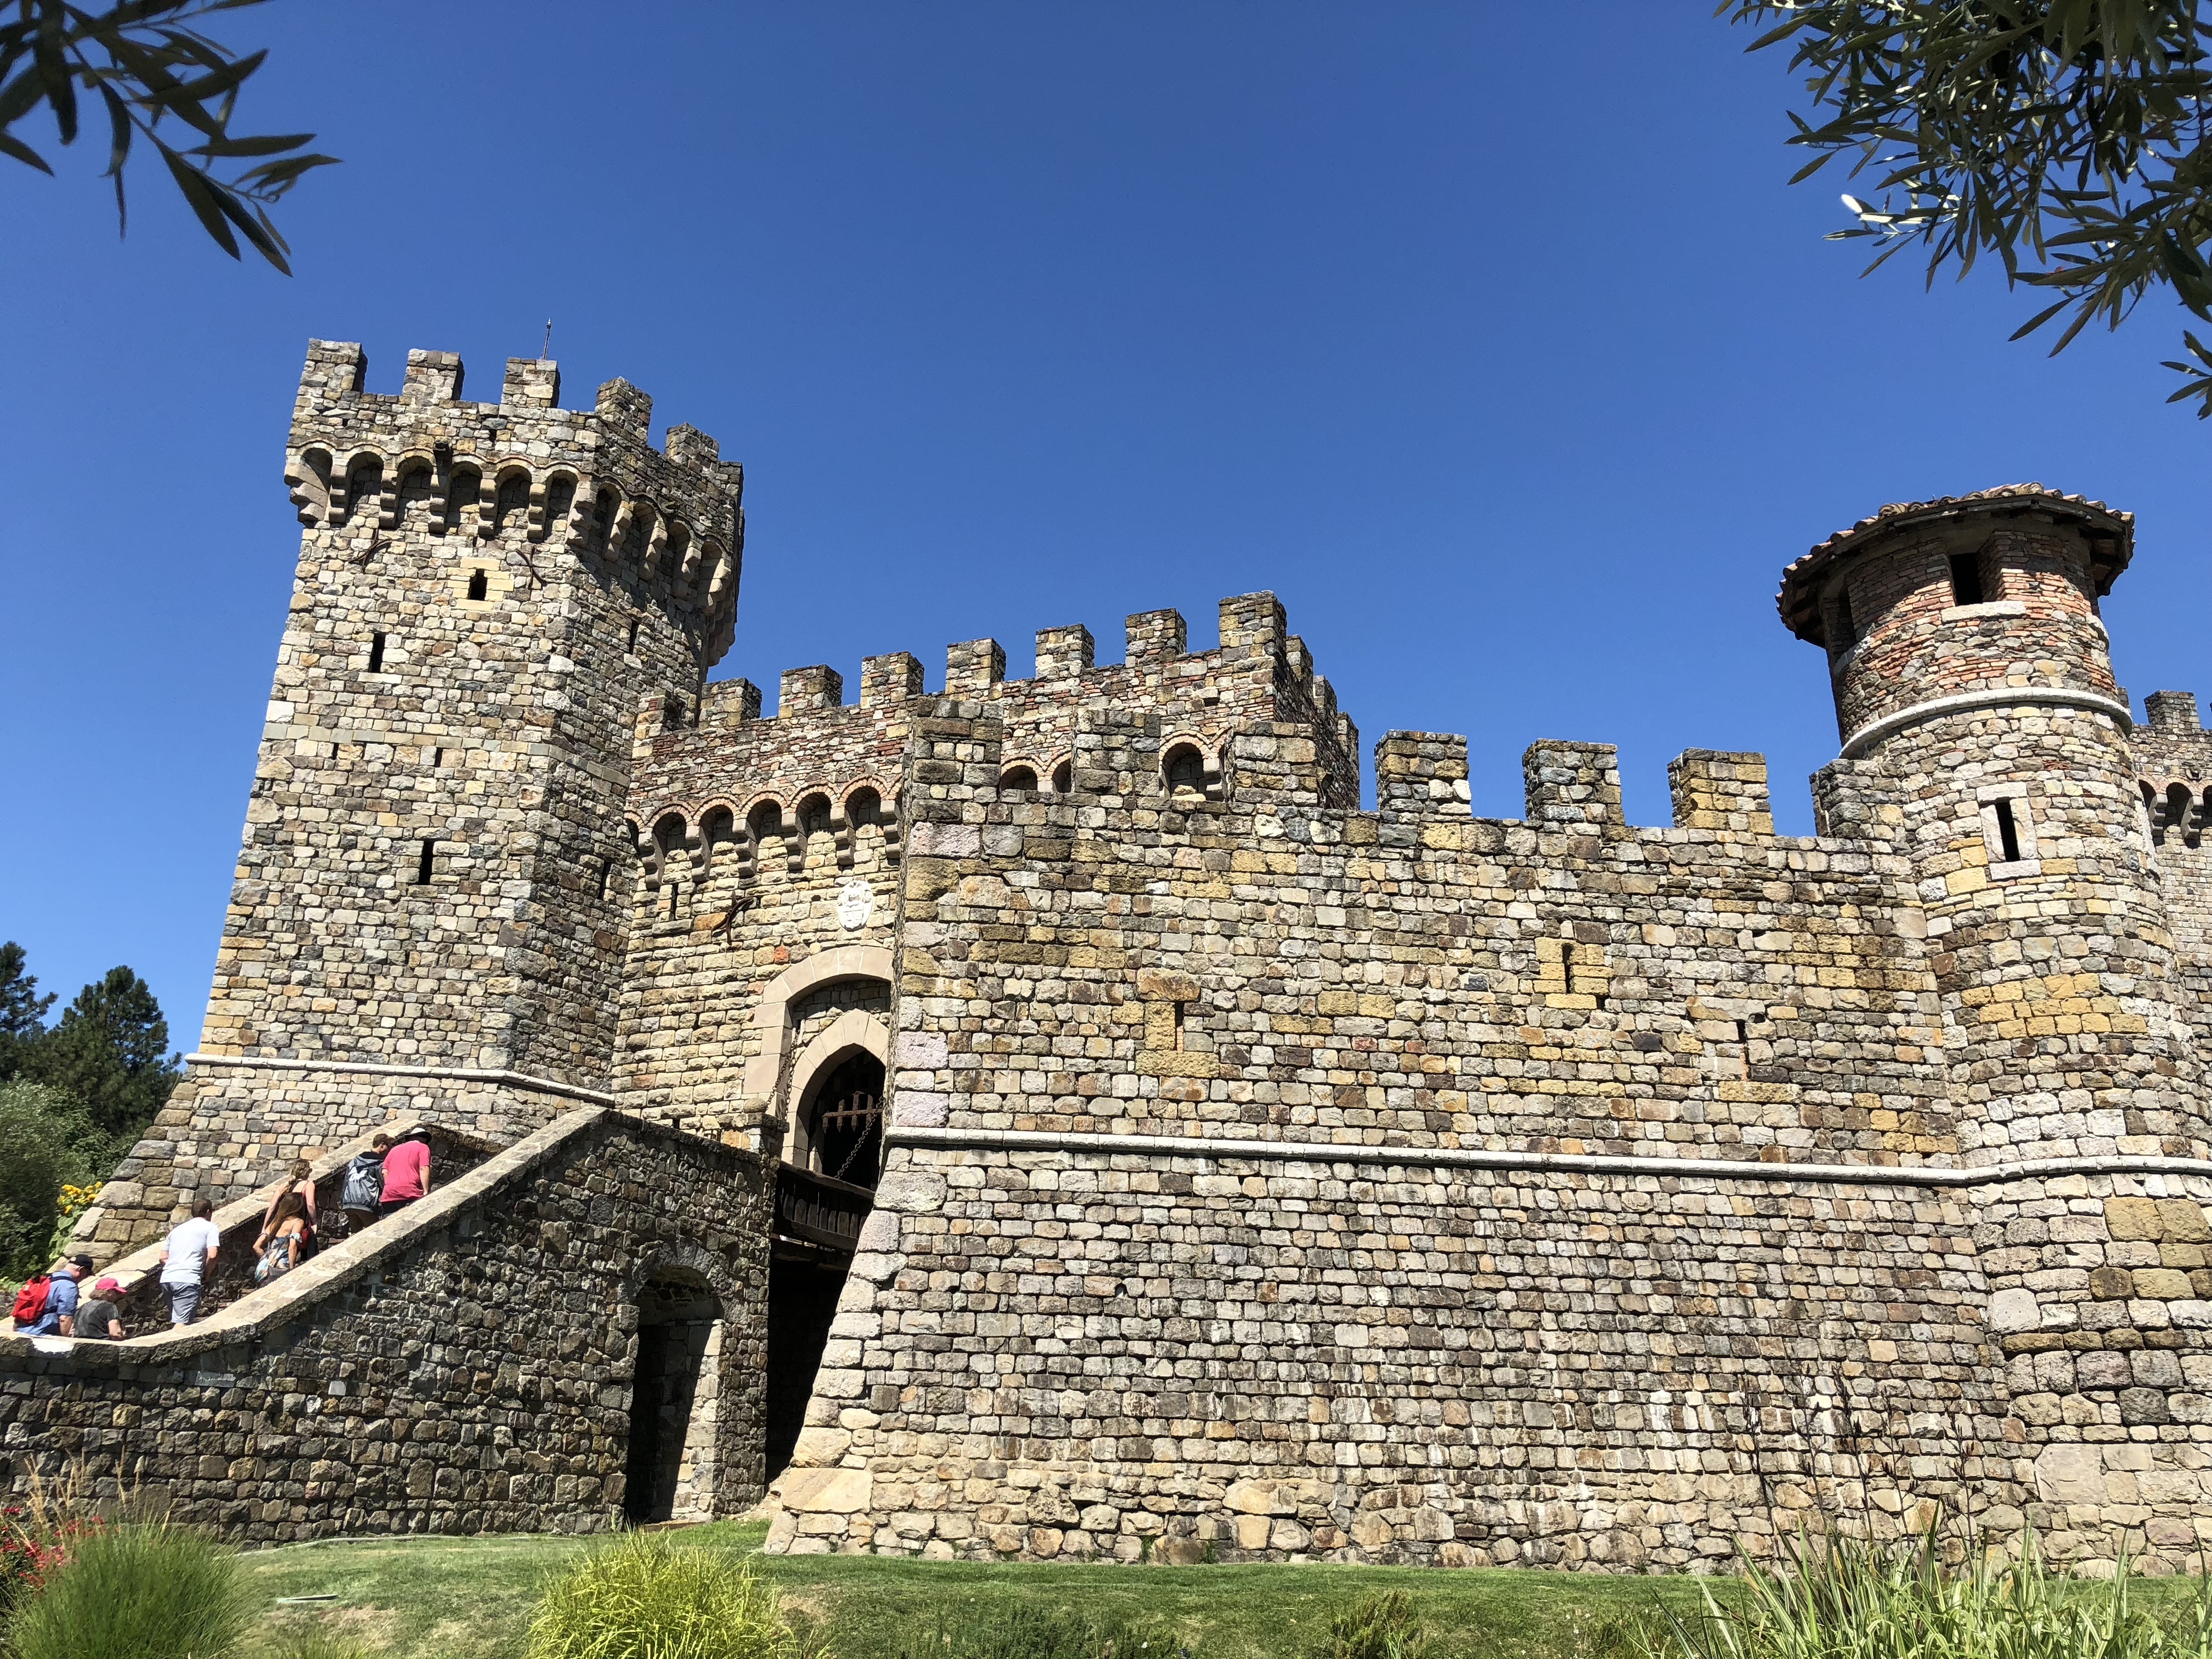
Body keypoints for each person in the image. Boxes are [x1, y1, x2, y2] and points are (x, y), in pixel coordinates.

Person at [158, 1198, 221, 1326]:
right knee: (183, 1324)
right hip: (187, 1280)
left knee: (177, 1321)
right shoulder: (210, 1228)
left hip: (167, 1279)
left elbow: (163, 1258)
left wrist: (177, 1265)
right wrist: (206, 1274)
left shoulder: (176, 1230)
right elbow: (213, 1255)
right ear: (208, 1212)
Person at [257, 1159, 318, 1257]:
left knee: (277, 1250)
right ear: (306, 1172)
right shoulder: (308, 1185)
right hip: (298, 1222)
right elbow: (310, 1204)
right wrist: (314, 1222)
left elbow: (272, 1208)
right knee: (302, 1252)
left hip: (280, 1222)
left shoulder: (284, 1186)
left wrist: (264, 1227)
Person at [23, 1256, 88, 1337]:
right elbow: (65, 1318)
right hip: (41, 1335)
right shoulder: (69, 1287)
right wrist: (67, 1340)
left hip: (23, 1330)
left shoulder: (48, 1279)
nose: (85, 1278)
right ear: (81, 1270)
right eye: (87, 1274)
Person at [340, 1135, 389, 1235]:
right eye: (389, 1146)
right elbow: (382, 1184)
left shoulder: (353, 1162)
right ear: (382, 1145)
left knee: (355, 1235)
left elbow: (346, 1183)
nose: (389, 1150)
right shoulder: (378, 1163)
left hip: (348, 1203)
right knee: (374, 1233)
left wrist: (343, 1201)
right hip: (366, 1203)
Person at [255, 1191, 308, 1284]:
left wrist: (267, 1258)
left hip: (263, 1269)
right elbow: (292, 1247)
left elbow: (256, 1246)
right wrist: (292, 1269)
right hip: (280, 1268)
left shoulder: (276, 1221)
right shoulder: (298, 1222)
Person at [380, 1134, 431, 1212]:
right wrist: (426, 1191)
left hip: (389, 1195)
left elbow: (385, 1172)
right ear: (424, 1139)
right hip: (410, 1193)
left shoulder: (394, 1150)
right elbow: (424, 1168)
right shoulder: (423, 1147)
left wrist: (390, 1187)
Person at [73, 1276, 125, 1340]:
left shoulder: (82, 1307)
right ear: (109, 1292)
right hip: (102, 1344)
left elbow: (71, 1332)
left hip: (80, 1344)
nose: (118, 1295)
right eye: (116, 1292)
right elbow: (115, 1334)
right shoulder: (110, 1307)